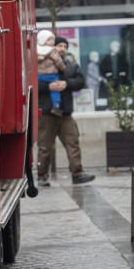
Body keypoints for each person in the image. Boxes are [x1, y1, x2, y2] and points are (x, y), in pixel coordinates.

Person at [36, 32, 95, 186]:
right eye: (59, 45)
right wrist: (48, 86)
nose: (62, 48)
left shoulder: (71, 65)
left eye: (64, 46)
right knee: (44, 146)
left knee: (73, 142)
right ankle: (42, 176)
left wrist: (66, 84)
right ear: (53, 46)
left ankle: (77, 174)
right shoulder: (40, 63)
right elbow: (33, 85)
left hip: (65, 113)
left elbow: (81, 81)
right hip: (47, 112)